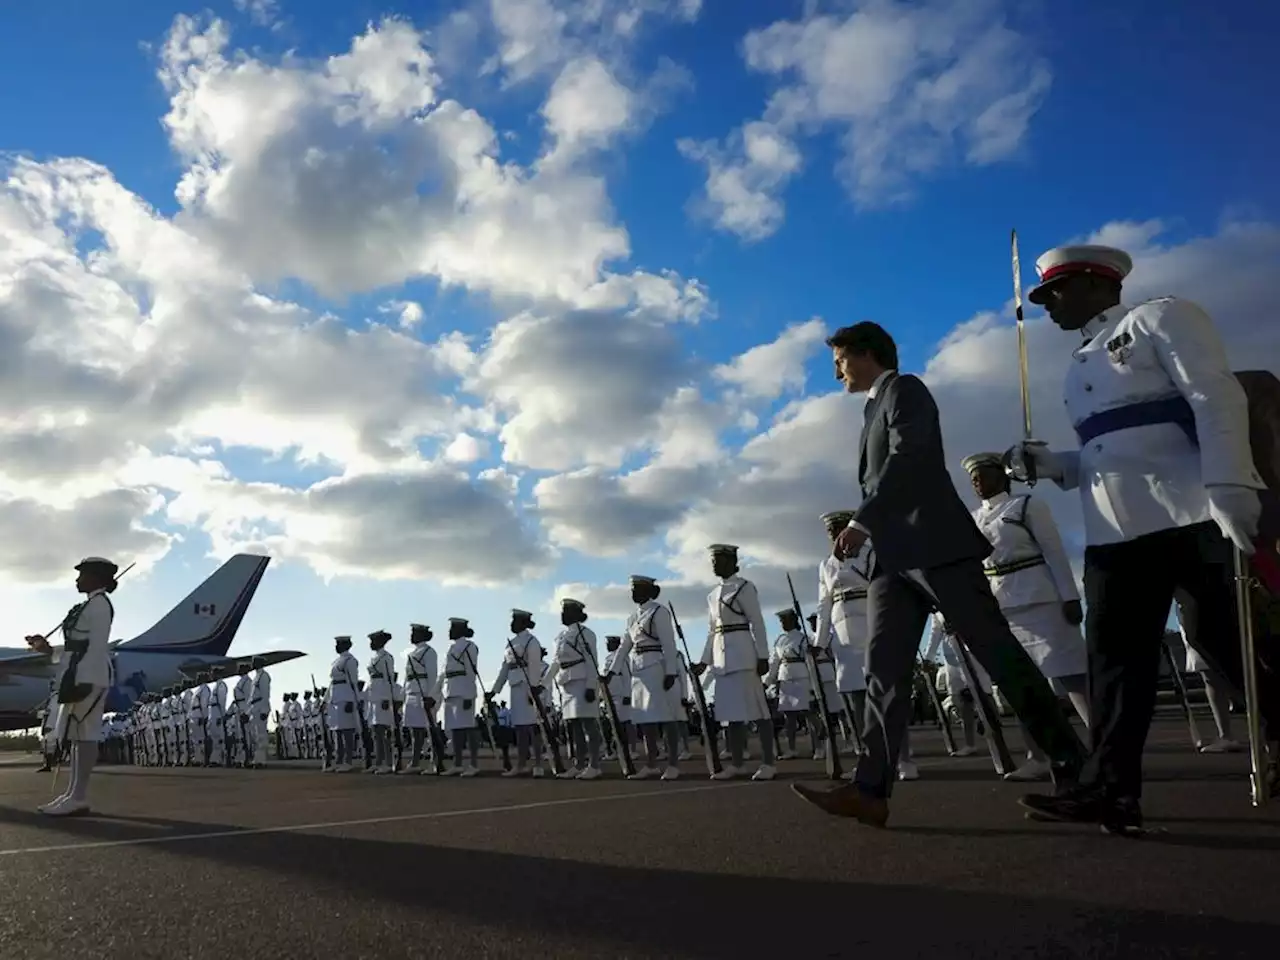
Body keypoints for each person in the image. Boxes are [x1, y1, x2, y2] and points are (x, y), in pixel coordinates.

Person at [1007, 244, 1277, 833]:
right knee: (1114, 666)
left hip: (1191, 510)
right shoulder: (1080, 363)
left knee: (1227, 641)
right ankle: (1111, 791)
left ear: (1099, 284)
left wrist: (1231, 481)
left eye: (1057, 291)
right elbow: (1111, 448)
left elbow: (1214, 395)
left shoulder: (1160, 317)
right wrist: (1057, 466)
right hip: (1114, 529)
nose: (1049, 305)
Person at [793, 321, 1085, 828]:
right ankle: (870, 789)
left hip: (935, 548)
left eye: (840, 359)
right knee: (883, 669)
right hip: (894, 559)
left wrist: (865, 520)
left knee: (999, 656)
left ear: (867, 355)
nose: (835, 370)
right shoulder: (871, 409)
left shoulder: (906, 390)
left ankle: (1076, 770)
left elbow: (910, 458)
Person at [962, 451, 1091, 781]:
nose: (977, 480)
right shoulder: (974, 519)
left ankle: (1105, 747)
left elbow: (1054, 551)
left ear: (1002, 476)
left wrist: (1070, 596)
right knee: (1022, 684)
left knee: (1070, 675)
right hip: (1002, 606)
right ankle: (1038, 756)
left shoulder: (1026, 505)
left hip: (1041, 597)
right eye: (973, 477)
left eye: (984, 473)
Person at [26, 556, 120, 816]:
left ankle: (78, 796)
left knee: (85, 735)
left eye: (82, 575)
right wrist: (46, 650)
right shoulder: (89, 606)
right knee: (77, 737)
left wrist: (83, 682)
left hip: (87, 677)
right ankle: (72, 794)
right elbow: (74, 648)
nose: (77, 580)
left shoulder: (99, 606)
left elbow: (98, 647)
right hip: (78, 674)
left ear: (95, 578)